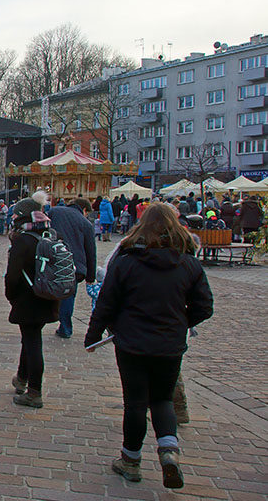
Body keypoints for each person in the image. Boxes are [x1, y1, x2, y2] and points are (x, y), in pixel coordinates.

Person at [85, 203, 214, 489]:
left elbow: (107, 302)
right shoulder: (188, 262)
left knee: (135, 402)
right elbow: (205, 306)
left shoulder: (127, 260)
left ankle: (131, 460)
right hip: (169, 343)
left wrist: (93, 335)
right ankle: (169, 452)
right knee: (163, 399)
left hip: (131, 342)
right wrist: (181, 321)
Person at [4, 198, 58, 409]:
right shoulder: (50, 235)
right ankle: (21, 378)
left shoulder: (24, 240)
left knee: (33, 341)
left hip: (28, 299)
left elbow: (12, 276)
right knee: (30, 338)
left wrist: (11, 297)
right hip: (48, 296)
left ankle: (34, 391)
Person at [47, 198, 97, 339]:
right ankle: (65, 327)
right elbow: (90, 252)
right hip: (74, 265)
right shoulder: (85, 223)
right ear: (85, 210)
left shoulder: (54, 211)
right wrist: (90, 277)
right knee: (68, 296)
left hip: (53, 259)